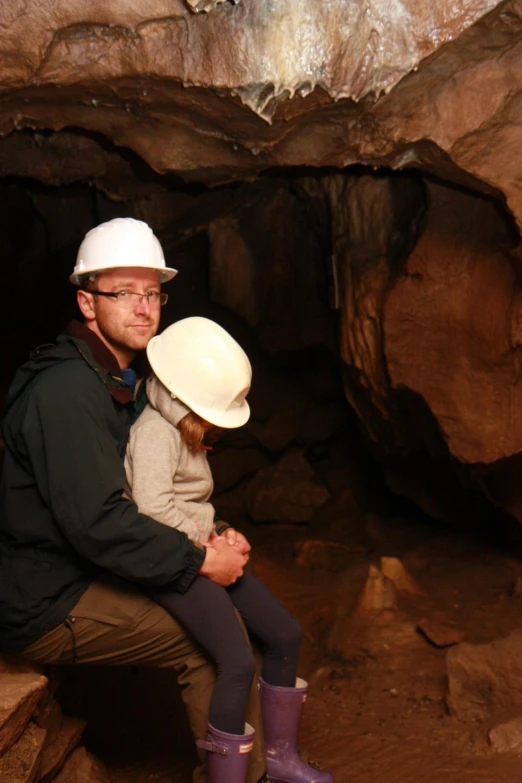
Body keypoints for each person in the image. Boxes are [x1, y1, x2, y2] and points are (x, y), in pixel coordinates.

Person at [0, 217, 266, 783]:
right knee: (209, 640)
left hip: (69, 569)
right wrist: (199, 559)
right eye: (123, 293)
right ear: (87, 303)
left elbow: (147, 491)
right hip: (45, 594)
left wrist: (210, 528)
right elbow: (100, 523)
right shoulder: (68, 391)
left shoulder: (107, 380)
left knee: (222, 613)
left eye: (151, 293)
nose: (143, 307)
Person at [125, 315, 334, 783]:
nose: (214, 428)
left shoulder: (182, 426)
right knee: (236, 660)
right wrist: (208, 545)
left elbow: (191, 501)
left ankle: (280, 761)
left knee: (284, 634)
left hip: (200, 549)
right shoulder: (155, 432)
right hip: (171, 562)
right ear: (180, 393)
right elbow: (151, 509)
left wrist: (223, 529)